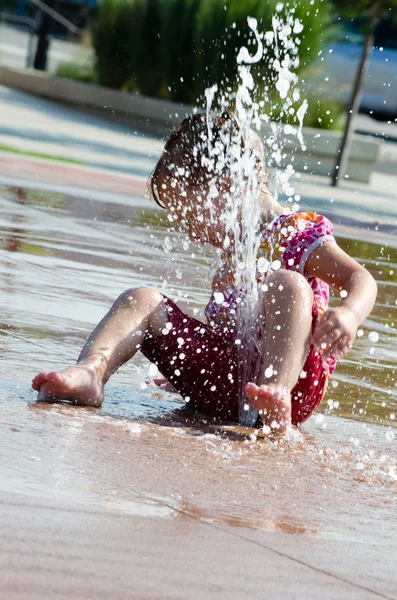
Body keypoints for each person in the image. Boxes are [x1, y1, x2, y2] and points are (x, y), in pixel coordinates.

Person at [32, 112, 377, 433]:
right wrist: (192, 361)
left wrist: (349, 314)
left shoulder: (295, 232)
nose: (190, 232)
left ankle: (276, 394)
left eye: (190, 214)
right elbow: (230, 333)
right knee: (142, 300)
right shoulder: (234, 255)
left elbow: (360, 278)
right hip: (232, 385)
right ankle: (93, 370)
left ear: (227, 187)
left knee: (287, 283)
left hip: (295, 383)